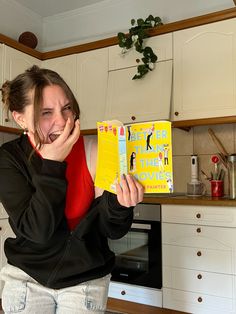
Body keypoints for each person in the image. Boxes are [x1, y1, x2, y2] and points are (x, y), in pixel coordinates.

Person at [0, 65, 144, 314]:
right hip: (27, 279)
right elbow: (38, 232)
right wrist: (52, 165)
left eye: (67, 107)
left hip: (86, 281)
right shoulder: (8, 159)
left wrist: (121, 205)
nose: (63, 120)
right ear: (20, 118)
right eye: (46, 112)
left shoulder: (96, 151)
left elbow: (111, 230)